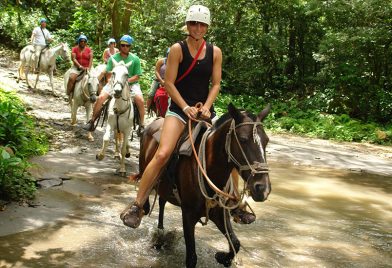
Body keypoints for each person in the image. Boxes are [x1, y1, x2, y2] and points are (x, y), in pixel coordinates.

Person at [120, 5, 224, 228]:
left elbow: (215, 84)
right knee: (163, 152)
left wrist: (206, 106)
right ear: (187, 25)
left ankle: (235, 204)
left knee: (228, 148)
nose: (197, 28)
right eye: (194, 23)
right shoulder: (177, 49)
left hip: (204, 111)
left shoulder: (215, 52)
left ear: (207, 27)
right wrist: (185, 107)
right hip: (178, 110)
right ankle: (138, 204)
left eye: (202, 24)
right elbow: (168, 83)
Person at [83, 34, 145, 133]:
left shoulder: (135, 59)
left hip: (131, 83)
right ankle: (92, 121)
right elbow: (108, 73)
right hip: (114, 82)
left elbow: (137, 76)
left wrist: (125, 82)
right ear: (120, 45)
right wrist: (113, 82)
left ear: (130, 47)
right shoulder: (113, 58)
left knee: (140, 100)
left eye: (127, 45)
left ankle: (142, 125)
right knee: (101, 98)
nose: (125, 47)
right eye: (123, 45)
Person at [146, 48, 169, 113]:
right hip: (158, 80)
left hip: (169, 81)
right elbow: (156, 71)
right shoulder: (161, 61)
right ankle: (147, 110)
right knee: (151, 94)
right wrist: (161, 80)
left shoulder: (175, 62)